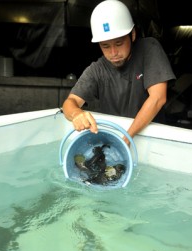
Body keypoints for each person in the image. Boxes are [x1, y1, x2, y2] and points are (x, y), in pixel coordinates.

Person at [62, 0, 176, 144]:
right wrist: (76, 113)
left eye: (119, 43)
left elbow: (158, 98)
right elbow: (70, 102)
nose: (113, 53)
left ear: (133, 34)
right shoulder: (97, 69)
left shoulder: (149, 49)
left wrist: (126, 138)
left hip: (150, 140)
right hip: (114, 141)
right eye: (105, 46)